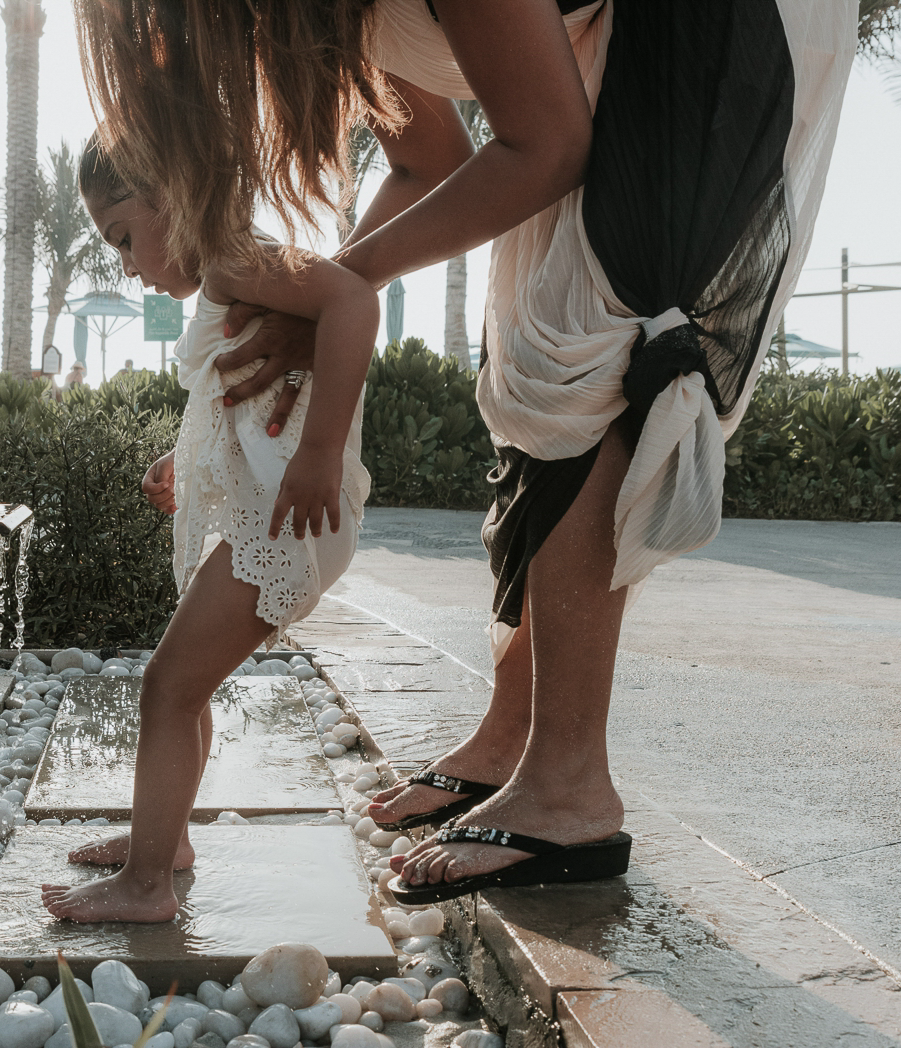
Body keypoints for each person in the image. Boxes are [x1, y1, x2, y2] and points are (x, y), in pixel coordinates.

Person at [76, 0, 855, 904]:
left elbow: (547, 142)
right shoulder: (316, 19)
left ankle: (566, 784)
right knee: (528, 354)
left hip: (698, 33)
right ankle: (510, 739)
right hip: (592, 57)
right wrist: (317, 303)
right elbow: (430, 158)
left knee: (584, 349)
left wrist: (331, 299)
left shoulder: (233, 247)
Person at [40, 135, 379, 924]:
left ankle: (147, 883)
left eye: (125, 236)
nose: (127, 263)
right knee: (183, 687)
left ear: (175, 193)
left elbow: (354, 303)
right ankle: (165, 842)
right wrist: (180, 459)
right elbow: (244, 397)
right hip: (276, 520)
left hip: (292, 523)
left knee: (168, 686)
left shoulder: (231, 260)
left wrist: (324, 450)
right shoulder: (227, 275)